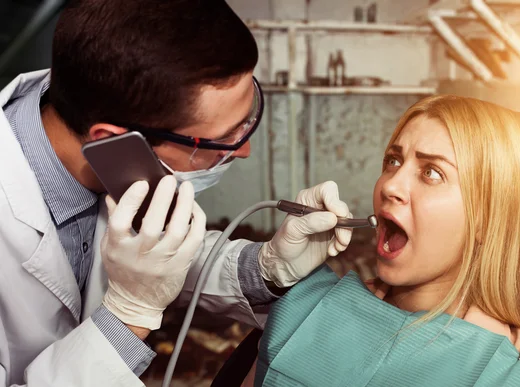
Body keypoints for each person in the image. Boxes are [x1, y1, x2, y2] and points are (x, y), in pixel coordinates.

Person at [0, 1, 353, 386]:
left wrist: (264, 268)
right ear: (115, 141)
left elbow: (155, 259)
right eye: (219, 141)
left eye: (246, 121)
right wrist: (127, 318)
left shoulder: (110, 156)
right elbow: (138, 283)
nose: (245, 151)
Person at [242, 95, 520, 386]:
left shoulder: (516, 377)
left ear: (488, 217)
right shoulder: (306, 305)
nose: (390, 186)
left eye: (432, 172)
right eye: (393, 161)